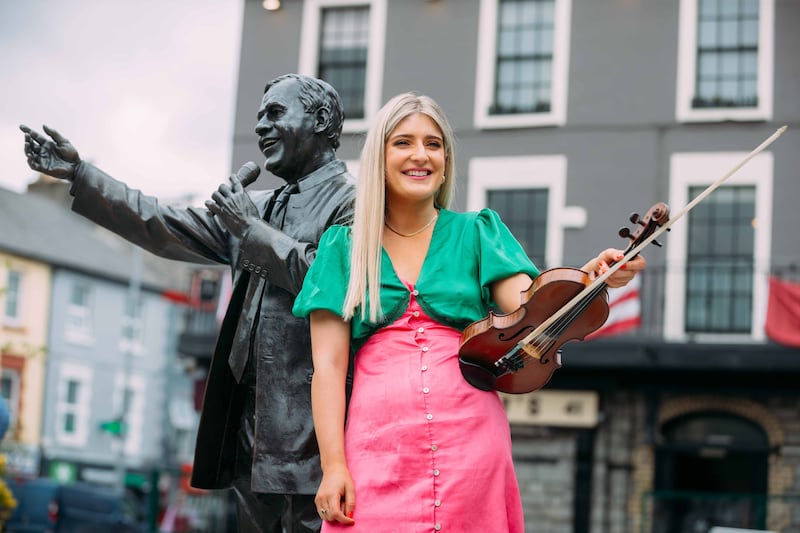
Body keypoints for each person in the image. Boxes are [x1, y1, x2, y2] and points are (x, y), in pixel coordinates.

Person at [291, 92, 646, 532]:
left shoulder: (477, 233)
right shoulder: (341, 249)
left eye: (434, 144)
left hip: (472, 445)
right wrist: (333, 466)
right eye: (403, 142)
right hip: (377, 446)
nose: (421, 155)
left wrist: (591, 278)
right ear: (379, 155)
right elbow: (326, 367)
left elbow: (532, 309)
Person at [20, 73, 357, 533]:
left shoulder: (354, 202)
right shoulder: (254, 206)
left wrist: (249, 231)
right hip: (248, 424)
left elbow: (330, 281)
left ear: (320, 120)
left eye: (275, 113)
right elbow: (162, 223)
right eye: (259, 116)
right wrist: (82, 175)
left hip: (313, 430)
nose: (261, 126)